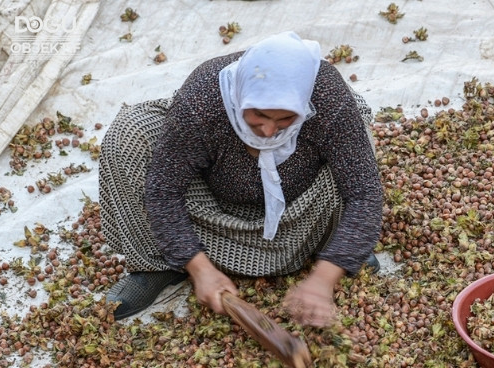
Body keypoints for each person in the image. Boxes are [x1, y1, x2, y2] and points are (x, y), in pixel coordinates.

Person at [99, 31, 383, 327]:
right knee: (129, 135)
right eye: (259, 114)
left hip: (304, 209)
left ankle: (337, 247)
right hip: (213, 209)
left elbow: (364, 194)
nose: (269, 131)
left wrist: (324, 278)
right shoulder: (203, 100)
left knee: (356, 132)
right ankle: (158, 264)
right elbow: (164, 191)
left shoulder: (325, 93)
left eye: (286, 118)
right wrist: (200, 269)